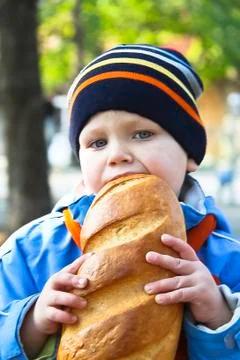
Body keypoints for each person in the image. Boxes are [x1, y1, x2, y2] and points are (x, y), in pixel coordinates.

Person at [1, 44, 240, 360]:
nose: (117, 155)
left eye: (142, 134)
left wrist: (221, 317)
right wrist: (31, 322)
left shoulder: (227, 259)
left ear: (190, 154)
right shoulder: (30, 252)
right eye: (97, 143)